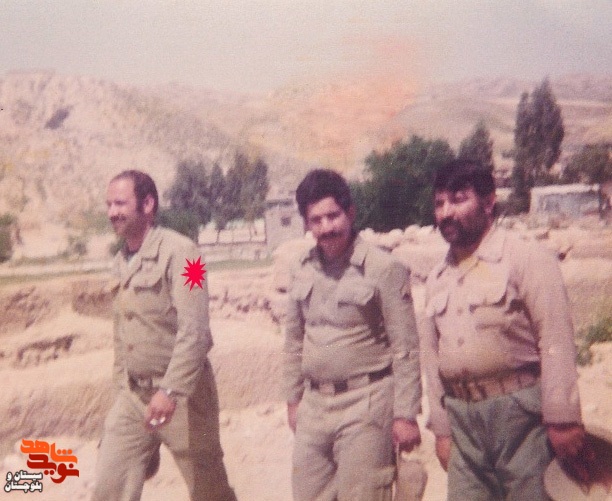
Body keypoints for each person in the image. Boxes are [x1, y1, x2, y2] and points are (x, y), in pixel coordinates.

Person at [421, 159, 585, 500]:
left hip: (521, 418)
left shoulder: (526, 258)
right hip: (463, 423)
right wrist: (442, 429)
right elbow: (432, 358)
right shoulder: (437, 277)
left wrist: (563, 417)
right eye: (439, 203)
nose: (446, 212)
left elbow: (554, 337)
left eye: (459, 199)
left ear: (488, 201)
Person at [92, 170, 236, 501]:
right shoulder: (121, 261)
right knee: (109, 487)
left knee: (209, 491)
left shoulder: (186, 254)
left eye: (120, 203)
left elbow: (195, 332)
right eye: (109, 204)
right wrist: (120, 393)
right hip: (134, 398)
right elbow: (122, 338)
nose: (112, 212)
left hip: (184, 398)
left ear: (147, 204)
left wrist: (170, 391)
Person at [283, 168, 423, 501]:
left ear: (351, 212)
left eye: (333, 216)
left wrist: (406, 414)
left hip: (366, 404)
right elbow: (293, 341)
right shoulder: (301, 268)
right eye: (316, 220)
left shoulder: (383, 268)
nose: (326, 227)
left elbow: (405, 347)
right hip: (314, 405)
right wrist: (293, 400)